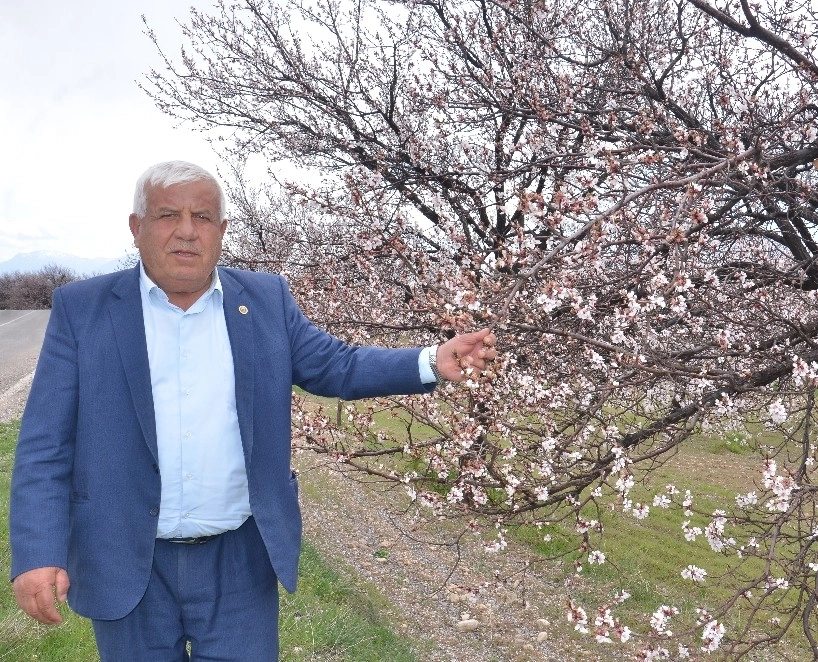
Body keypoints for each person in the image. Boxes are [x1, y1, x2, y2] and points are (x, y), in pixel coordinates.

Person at [8, 160, 497, 661]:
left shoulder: (264, 300)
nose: (185, 231)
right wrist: (37, 551)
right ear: (136, 228)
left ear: (221, 232)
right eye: (166, 215)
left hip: (240, 560)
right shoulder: (83, 309)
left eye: (202, 217)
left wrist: (430, 362)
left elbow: (337, 366)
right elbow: (45, 444)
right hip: (125, 555)